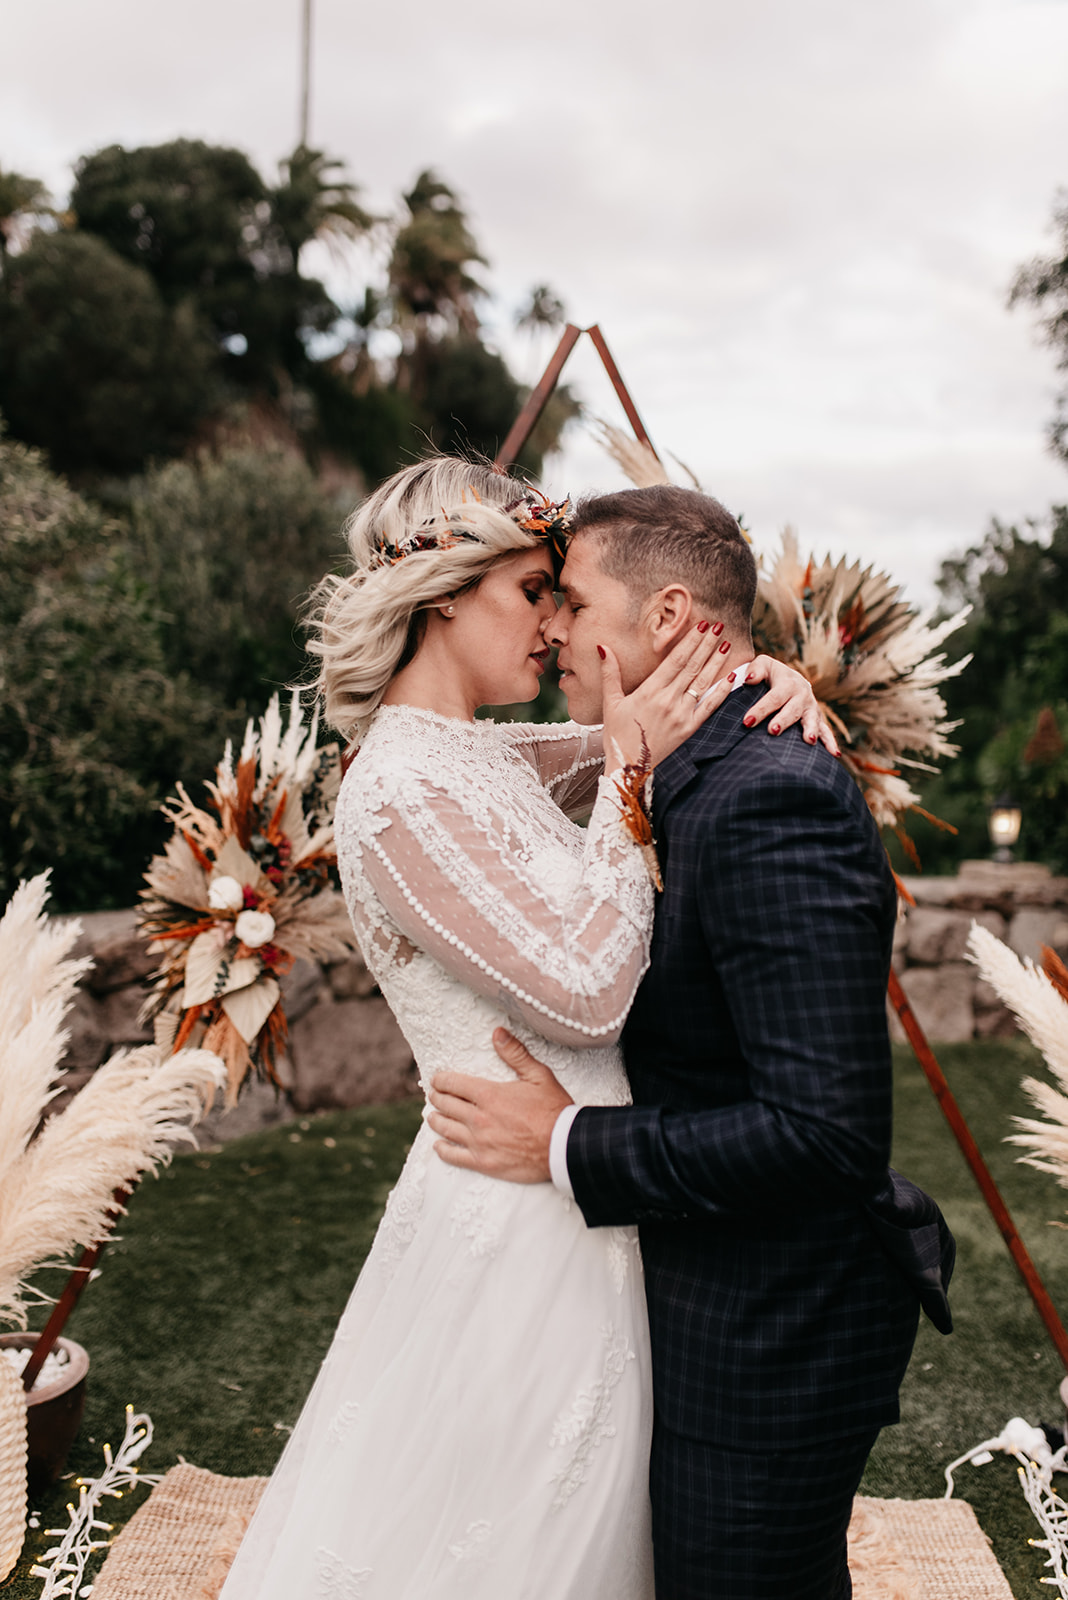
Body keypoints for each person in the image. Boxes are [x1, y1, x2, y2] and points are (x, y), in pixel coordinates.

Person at [218, 459, 830, 1600]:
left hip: (585, 1190)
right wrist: (631, 777)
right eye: (533, 590)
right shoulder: (396, 789)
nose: (554, 627)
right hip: (511, 1218)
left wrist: (763, 673)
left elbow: (651, 719)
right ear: (446, 593)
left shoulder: (479, 757)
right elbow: (587, 992)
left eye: (559, 596)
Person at [426, 484, 956, 1600]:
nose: (553, 629)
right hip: (682, 1293)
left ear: (668, 616)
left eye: (572, 602)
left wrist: (564, 1141)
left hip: (768, 1335)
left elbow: (825, 1134)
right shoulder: (668, 757)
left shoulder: (773, 795)